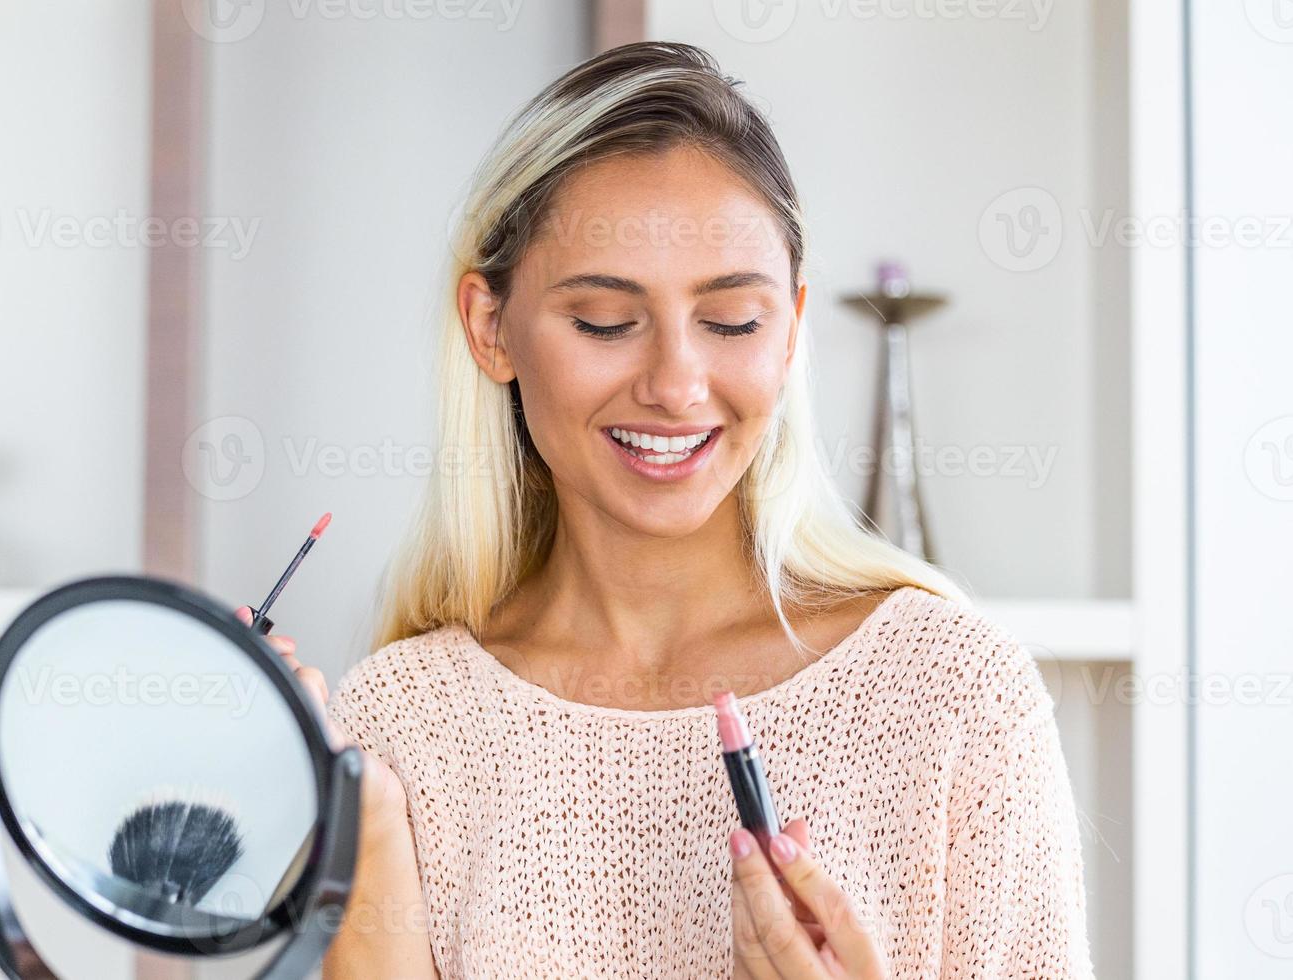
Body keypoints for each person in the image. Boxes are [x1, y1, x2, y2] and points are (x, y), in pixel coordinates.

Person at [243, 41, 1093, 979]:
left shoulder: (953, 697)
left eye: (733, 322)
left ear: (792, 332)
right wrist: (355, 847)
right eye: (605, 322)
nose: (677, 386)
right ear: (492, 329)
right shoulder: (404, 724)